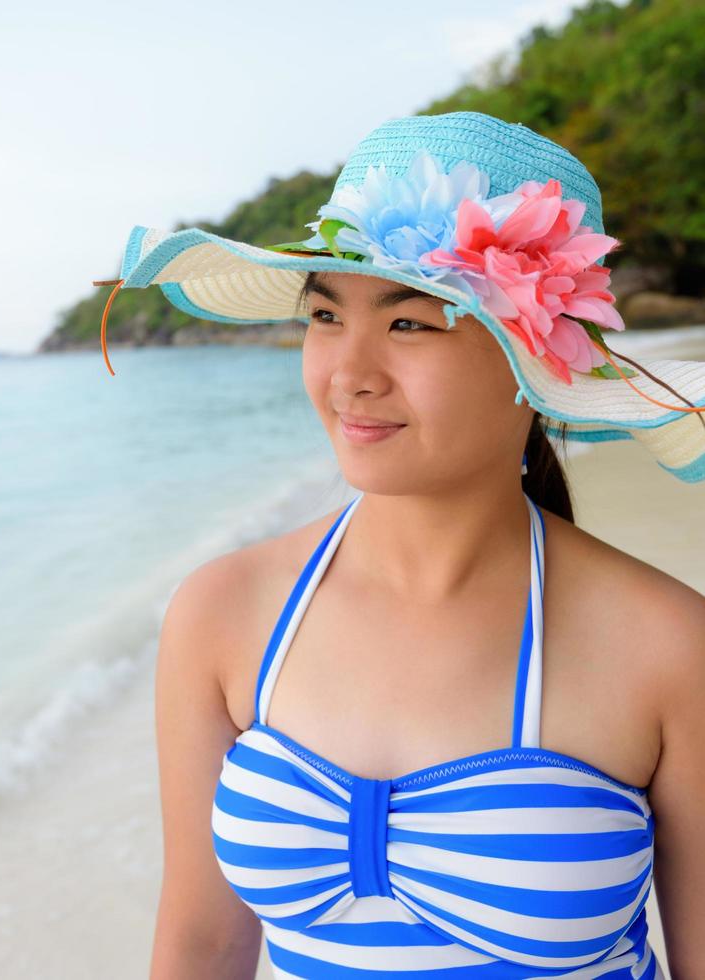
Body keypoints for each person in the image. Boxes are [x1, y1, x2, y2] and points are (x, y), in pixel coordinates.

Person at [97, 112, 705, 978]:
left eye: (410, 323)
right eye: (323, 315)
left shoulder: (666, 645)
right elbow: (201, 944)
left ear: (534, 366)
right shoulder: (224, 614)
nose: (349, 374)